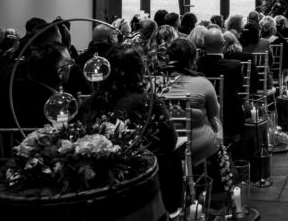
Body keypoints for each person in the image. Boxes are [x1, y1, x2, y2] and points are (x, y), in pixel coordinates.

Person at [79, 45, 182, 214]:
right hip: (141, 181)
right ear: (139, 70)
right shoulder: (147, 101)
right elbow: (170, 140)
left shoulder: (89, 102)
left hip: (94, 185)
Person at [165, 38, 234, 191]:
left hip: (167, 145)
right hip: (196, 145)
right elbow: (214, 112)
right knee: (216, 122)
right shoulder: (202, 82)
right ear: (192, 60)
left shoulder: (157, 82)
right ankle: (223, 177)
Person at [196, 28, 245, 145]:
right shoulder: (234, 65)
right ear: (223, 44)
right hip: (230, 115)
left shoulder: (197, 65)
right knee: (237, 100)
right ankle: (237, 146)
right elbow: (240, 86)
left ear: (204, 45)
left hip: (204, 113)